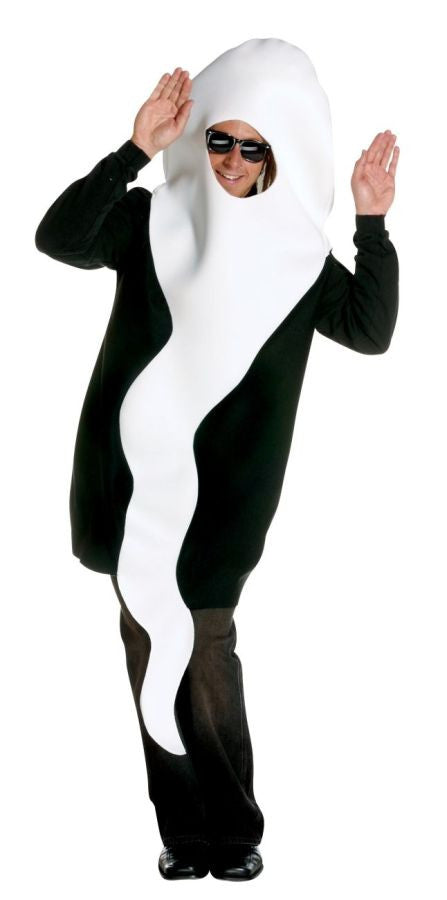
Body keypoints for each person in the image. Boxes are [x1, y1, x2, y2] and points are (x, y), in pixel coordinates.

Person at [35, 39, 399, 882]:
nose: (232, 160)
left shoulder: (297, 259)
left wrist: (371, 224)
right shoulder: (151, 220)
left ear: (281, 153)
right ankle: (183, 832)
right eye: (221, 140)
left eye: (253, 147)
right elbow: (58, 239)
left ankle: (232, 831)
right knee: (146, 656)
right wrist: (134, 151)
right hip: (130, 486)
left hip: (223, 502)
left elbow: (369, 330)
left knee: (203, 655)